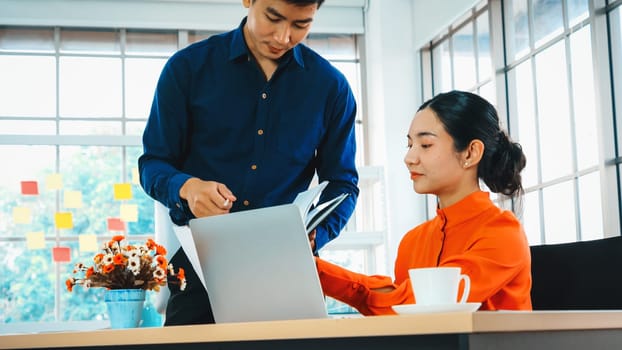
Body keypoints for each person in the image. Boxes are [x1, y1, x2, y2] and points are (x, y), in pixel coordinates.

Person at [138, 0, 359, 325]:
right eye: (273, 17)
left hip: (286, 268)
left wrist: (316, 234)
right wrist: (188, 187)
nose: (284, 37)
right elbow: (153, 164)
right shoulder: (187, 69)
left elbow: (343, 185)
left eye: (301, 24)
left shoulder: (331, 87)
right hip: (199, 268)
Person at [315, 90, 532, 315]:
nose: (409, 158)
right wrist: (311, 270)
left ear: (470, 152)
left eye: (426, 145)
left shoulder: (502, 233)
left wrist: (318, 272)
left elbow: (416, 306)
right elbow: (401, 304)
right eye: (410, 145)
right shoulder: (413, 241)